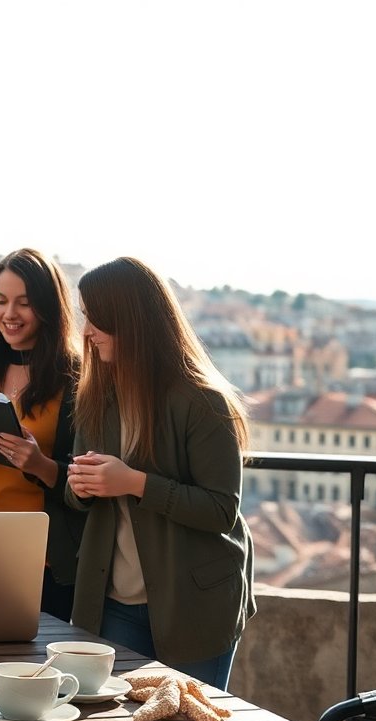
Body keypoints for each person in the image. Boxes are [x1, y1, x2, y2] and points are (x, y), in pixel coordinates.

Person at [65, 256, 254, 690]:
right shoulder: (95, 395)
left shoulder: (203, 400)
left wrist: (134, 483)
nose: (86, 331)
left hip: (194, 606)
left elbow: (221, 509)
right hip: (112, 602)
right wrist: (82, 486)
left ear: (131, 321)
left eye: (96, 318)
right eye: (85, 316)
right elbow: (75, 495)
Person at [0, 248, 82, 621]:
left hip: (44, 555)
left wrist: (39, 464)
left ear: (48, 308)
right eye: (0, 301)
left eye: (24, 304)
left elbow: (85, 486)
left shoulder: (74, 376)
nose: (9, 314)